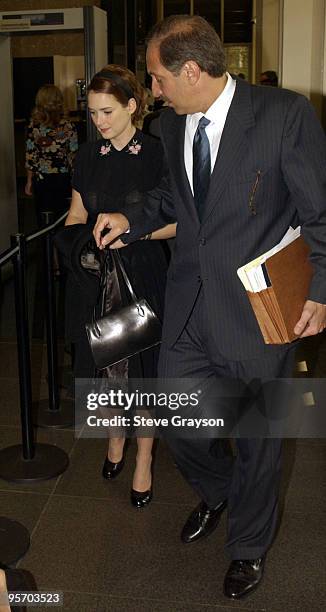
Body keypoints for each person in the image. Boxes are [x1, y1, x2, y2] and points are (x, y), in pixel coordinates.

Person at [93, 15, 326, 600]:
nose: (155, 91)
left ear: (190, 70)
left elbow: (319, 211)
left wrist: (322, 291)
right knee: (178, 420)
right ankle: (222, 490)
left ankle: (247, 548)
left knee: (256, 440)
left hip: (257, 310)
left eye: (158, 78)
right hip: (189, 301)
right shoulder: (175, 128)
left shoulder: (284, 115)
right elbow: (178, 197)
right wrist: (134, 218)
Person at [63, 64, 176, 508]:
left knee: (141, 375)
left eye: (107, 111)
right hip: (96, 276)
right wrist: (80, 242)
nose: (100, 122)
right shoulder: (87, 156)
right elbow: (76, 214)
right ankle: (115, 439)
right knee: (105, 369)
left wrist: (133, 231)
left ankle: (144, 458)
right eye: (92, 113)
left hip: (141, 273)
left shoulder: (157, 154)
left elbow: (178, 224)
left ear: (133, 106)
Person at [25, 84, 78, 227]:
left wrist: (29, 181)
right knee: (63, 219)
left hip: (42, 179)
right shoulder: (68, 126)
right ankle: (62, 248)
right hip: (64, 178)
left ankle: (45, 248)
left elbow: (31, 157)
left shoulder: (34, 127)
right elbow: (73, 155)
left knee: (44, 221)